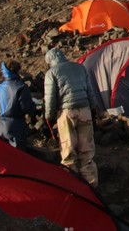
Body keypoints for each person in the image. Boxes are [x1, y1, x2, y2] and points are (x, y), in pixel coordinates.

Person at [44, 47, 103, 186]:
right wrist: (94, 108)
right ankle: (91, 186)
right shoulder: (79, 68)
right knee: (87, 151)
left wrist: (49, 116)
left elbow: (50, 98)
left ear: (50, 61)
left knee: (68, 151)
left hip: (66, 113)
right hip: (85, 110)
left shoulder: (51, 73)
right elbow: (90, 90)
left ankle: (73, 186)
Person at [0, 60, 37, 148]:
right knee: (18, 155)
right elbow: (26, 107)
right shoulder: (21, 87)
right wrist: (34, 108)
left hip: (1, 126)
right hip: (16, 126)